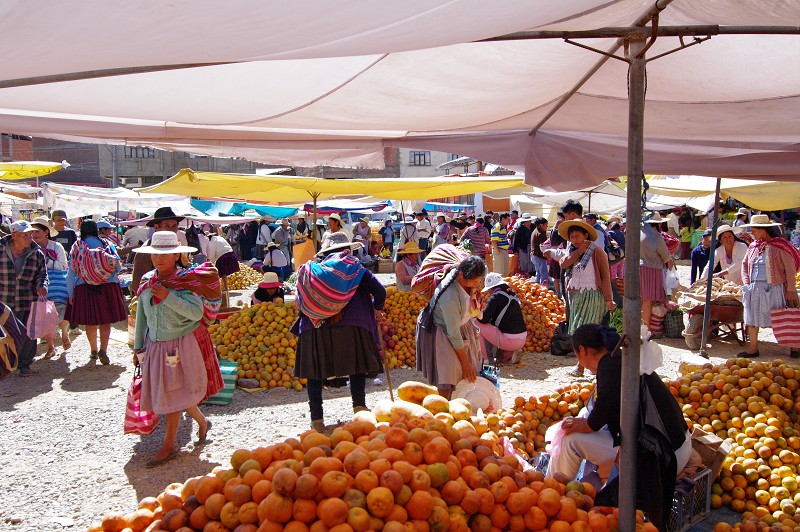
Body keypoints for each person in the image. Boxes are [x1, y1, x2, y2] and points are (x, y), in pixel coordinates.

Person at [550, 323, 692, 529]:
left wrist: (588, 425)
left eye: (576, 355)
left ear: (581, 350)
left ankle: (556, 492)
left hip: (661, 459)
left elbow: (604, 406)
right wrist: (590, 423)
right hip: (676, 447)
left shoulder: (610, 365)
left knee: (570, 439)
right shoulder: (623, 357)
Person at [133, 231, 220, 467]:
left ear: (177, 255)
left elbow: (195, 312)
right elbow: (141, 316)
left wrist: (169, 296)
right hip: (156, 346)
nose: (159, 260)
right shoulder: (147, 281)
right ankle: (202, 423)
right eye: (155, 255)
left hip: (179, 346)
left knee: (172, 392)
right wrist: (138, 346)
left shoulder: (186, 281)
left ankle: (168, 446)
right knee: (173, 391)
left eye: (166, 254)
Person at [292, 232, 385, 431]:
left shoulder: (310, 271)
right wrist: (377, 309)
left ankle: (316, 418)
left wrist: (325, 309)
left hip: (315, 327)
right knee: (356, 365)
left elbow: (299, 301)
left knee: (314, 371)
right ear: (347, 250)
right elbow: (380, 291)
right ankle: (359, 406)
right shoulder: (356, 268)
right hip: (352, 326)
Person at [545, 220, 613, 377]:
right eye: (572, 237)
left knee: (588, 333)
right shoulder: (571, 251)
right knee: (577, 333)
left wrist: (609, 299)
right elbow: (563, 264)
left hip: (593, 297)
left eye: (578, 236)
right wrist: (578, 252)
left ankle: (582, 367)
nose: (575, 239)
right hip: (576, 297)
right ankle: (587, 365)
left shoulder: (597, 252)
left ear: (586, 235)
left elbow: (605, 276)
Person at [416, 256, 485, 399]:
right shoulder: (450, 296)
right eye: (474, 281)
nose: (477, 285)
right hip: (442, 331)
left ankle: (458, 402)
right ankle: (443, 406)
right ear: (461, 276)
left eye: (479, 281)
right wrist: (465, 362)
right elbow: (453, 332)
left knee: (463, 373)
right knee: (448, 373)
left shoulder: (465, 278)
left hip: (460, 326)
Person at [739, 214, 800, 358]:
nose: (752, 233)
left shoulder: (779, 246)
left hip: (776, 287)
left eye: (754, 230)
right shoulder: (753, 247)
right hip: (755, 288)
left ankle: (794, 348)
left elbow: (790, 269)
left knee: (785, 317)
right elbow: (744, 265)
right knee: (752, 318)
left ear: (763, 230)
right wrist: (747, 283)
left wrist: (791, 289)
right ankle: (753, 348)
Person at [66, 220, 127, 365]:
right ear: (96, 230)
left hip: (84, 286)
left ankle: (93, 349)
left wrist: (70, 293)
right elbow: (117, 267)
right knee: (105, 320)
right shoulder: (107, 244)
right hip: (108, 286)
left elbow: (71, 272)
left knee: (90, 321)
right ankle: (103, 350)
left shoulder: (77, 246)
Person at [0, 220, 48, 376]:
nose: (30, 238)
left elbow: (42, 274)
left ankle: (24, 364)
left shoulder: (37, 253)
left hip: (26, 299)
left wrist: (42, 286)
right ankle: (4, 363)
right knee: (4, 333)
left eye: (30, 234)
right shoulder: (1, 249)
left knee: (28, 334)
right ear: (14, 235)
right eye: (25, 235)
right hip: (3, 300)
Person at [30, 216, 70, 358]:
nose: (34, 235)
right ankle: (51, 347)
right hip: (41, 287)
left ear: (46, 231)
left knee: (62, 314)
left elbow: (63, 266)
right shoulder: (31, 248)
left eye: (37, 232)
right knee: (44, 315)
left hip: (58, 286)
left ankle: (65, 334)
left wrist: (45, 262)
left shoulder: (56, 247)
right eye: (32, 232)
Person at [130, 207, 188, 294]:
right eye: (167, 226)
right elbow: (138, 285)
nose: (171, 229)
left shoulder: (175, 246)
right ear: (156, 227)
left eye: (174, 226)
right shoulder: (146, 251)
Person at [474, 272, 527, 364]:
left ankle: (485, 359)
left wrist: (477, 311)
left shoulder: (496, 296)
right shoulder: (512, 295)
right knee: (500, 329)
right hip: (522, 339)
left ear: (491, 288)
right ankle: (510, 355)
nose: (489, 293)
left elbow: (484, 319)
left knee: (476, 323)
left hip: (510, 340)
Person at [641, 216, 673, 332]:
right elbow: (666, 256)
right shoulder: (656, 236)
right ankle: (646, 330)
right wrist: (672, 272)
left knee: (640, 300)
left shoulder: (637, 233)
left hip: (637, 269)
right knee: (647, 301)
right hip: (651, 270)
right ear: (657, 225)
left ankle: (640, 328)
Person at [530, 217, 549, 285]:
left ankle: (537, 287)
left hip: (534, 255)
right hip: (539, 256)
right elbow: (544, 247)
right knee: (544, 273)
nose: (547, 226)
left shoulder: (535, 231)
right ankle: (543, 289)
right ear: (541, 225)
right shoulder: (540, 234)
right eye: (546, 224)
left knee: (538, 273)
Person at [606, 216, 626, 281]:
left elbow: (608, 243)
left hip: (614, 256)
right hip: (622, 256)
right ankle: (621, 289)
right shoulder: (621, 233)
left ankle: (615, 289)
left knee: (613, 275)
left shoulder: (610, 233)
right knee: (620, 274)